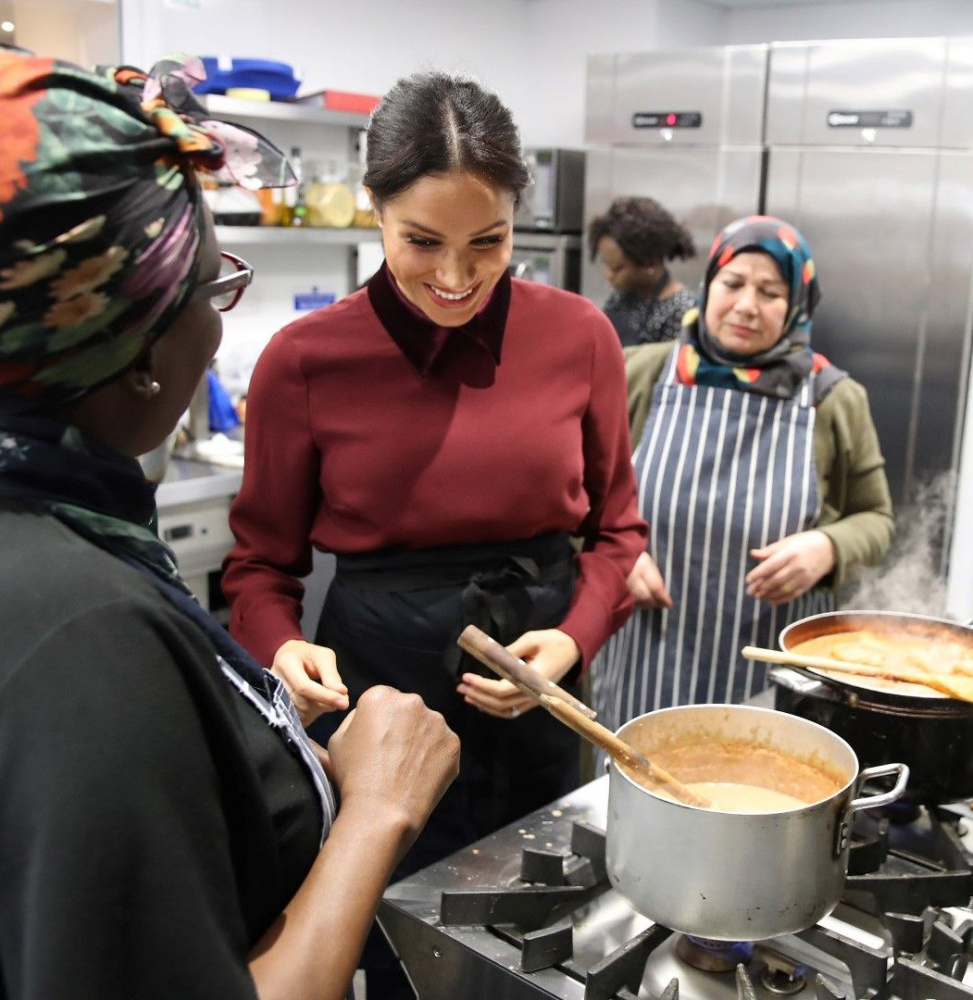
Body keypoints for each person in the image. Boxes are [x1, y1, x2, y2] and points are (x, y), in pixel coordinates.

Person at [0, 38, 459, 1000]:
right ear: (140, 357)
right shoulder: (79, 635)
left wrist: (225, 722)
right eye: (212, 291)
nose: (220, 326)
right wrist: (378, 811)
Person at [222, 71, 646, 997]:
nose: (454, 279)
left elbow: (618, 534)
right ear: (373, 210)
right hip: (378, 697)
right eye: (422, 242)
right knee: (393, 940)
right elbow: (259, 567)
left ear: (514, 224)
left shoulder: (579, 337)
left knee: (554, 934)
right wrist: (282, 646)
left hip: (541, 693)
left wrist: (573, 640)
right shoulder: (305, 360)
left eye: (486, 243)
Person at [593, 215, 894, 729]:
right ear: (710, 286)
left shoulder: (833, 400)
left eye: (770, 292)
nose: (746, 306)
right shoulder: (638, 373)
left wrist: (828, 547)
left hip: (768, 675)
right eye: (732, 284)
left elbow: (877, 518)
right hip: (642, 656)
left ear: (798, 304)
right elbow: (578, 495)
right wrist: (614, 552)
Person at [587, 195, 698, 345]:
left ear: (651, 263)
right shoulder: (621, 298)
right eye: (606, 265)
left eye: (617, 268)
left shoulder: (682, 310)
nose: (608, 274)